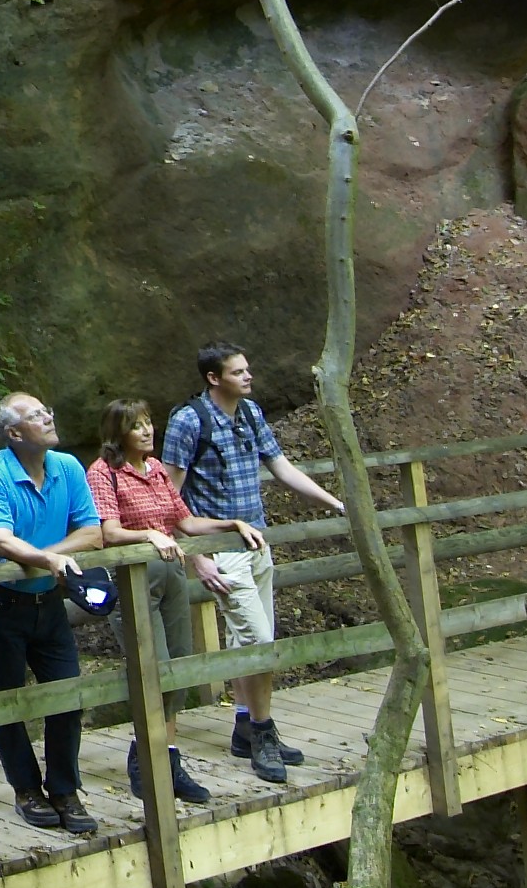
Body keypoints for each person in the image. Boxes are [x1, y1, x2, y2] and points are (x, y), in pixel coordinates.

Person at [162, 344, 347, 785]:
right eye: (238, 372)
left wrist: (339, 503)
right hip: (221, 548)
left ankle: (246, 726)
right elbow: (169, 498)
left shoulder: (250, 413)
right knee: (260, 642)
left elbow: (281, 468)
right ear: (213, 378)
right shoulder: (188, 421)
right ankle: (263, 733)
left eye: (248, 369)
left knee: (249, 640)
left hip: (256, 542)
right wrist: (197, 558)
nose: (248, 377)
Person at [0, 392, 105, 836]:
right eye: (36, 415)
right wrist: (49, 560)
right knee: (8, 700)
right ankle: (25, 789)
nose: (48, 417)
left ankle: (65, 788)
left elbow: (92, 532)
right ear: (13, 433)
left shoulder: (65, 467)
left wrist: (49, 557)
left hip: (48, 601)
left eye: (48, 410)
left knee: (66, 694)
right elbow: (1, 540)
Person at [90, 397, 234, 806]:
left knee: (180, 668)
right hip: (134, 580)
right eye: (137, 426)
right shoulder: (104, 473)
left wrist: (231, 523)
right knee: (154, 668)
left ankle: (167, 757)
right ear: (119, 433)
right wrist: (149, 535)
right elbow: (109, 532)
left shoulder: (156, 471)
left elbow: (184, 521)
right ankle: (148, 758)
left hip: (171, 574)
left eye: (149, 423)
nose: (148, 431)